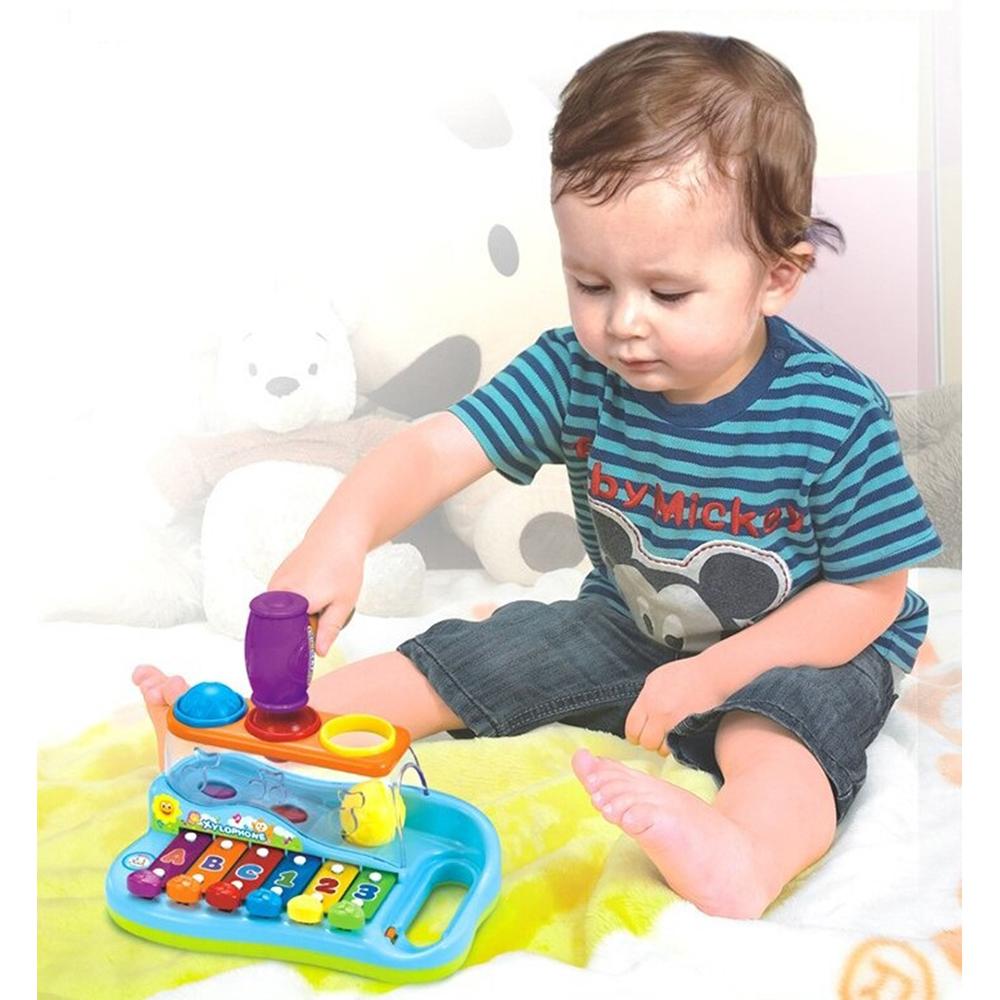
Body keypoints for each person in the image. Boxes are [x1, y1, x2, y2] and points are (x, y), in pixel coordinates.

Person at [135, 31, 942, 920]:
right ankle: (265, 742)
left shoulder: (832, 410)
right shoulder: (576, 371)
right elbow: (434, 449)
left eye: (668, 294)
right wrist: (342, 536)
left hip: (808, 642)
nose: (623, 323)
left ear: (777, 276)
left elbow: (868, 594)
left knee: (779, 730)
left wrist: (716, 676)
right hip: (630, 627)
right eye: (591, 283)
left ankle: (744, 851)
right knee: (473, 656)